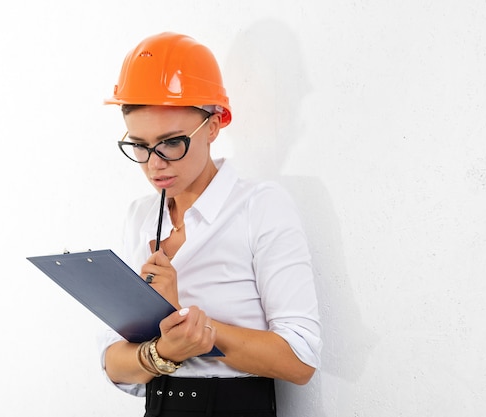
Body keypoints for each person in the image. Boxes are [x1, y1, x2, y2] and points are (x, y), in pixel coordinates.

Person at [98, 32, 322, 417]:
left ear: (215, 125)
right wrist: (163, 352)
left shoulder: (260, 207)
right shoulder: (139, 216)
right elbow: (112, 361)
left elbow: (300, 359)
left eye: (171, 143)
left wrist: (189, 324)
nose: (154, 164)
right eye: (139, 145)